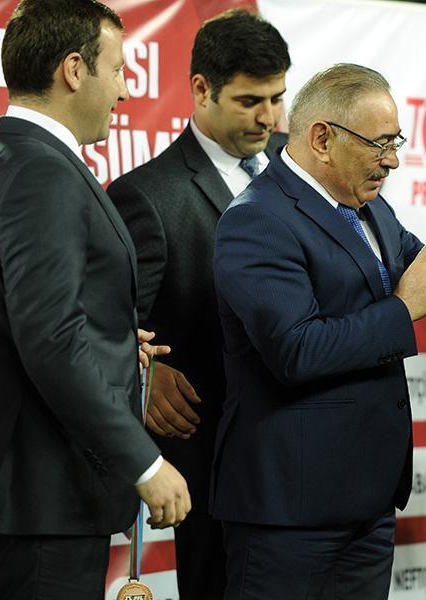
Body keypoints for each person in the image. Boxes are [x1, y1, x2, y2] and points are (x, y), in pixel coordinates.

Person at [211, 63, 426, 598]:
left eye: (395, 142)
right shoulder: (256, 219)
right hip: (289, 514)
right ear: (322, 139)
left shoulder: (369, 207)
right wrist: (401, 309)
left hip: (368, 506)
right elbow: (296, 350)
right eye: (380, 144)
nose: (392, 160)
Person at [0, 1, 190, 597]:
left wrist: (110, 341)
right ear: (74, 70)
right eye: (118, 70)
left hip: (30, 496)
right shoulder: (43, 173)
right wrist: (144, 462)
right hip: (47, 494)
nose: (124, 92)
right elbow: (50, 339)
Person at [107, 9, 289, 598]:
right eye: (249, 101)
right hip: (216, 474)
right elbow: (108, 326)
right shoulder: (146, 196)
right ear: (202, 89)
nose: (268, 118)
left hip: (312, 460)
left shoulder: (306, 165)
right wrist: (146, 373)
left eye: (277, 98)